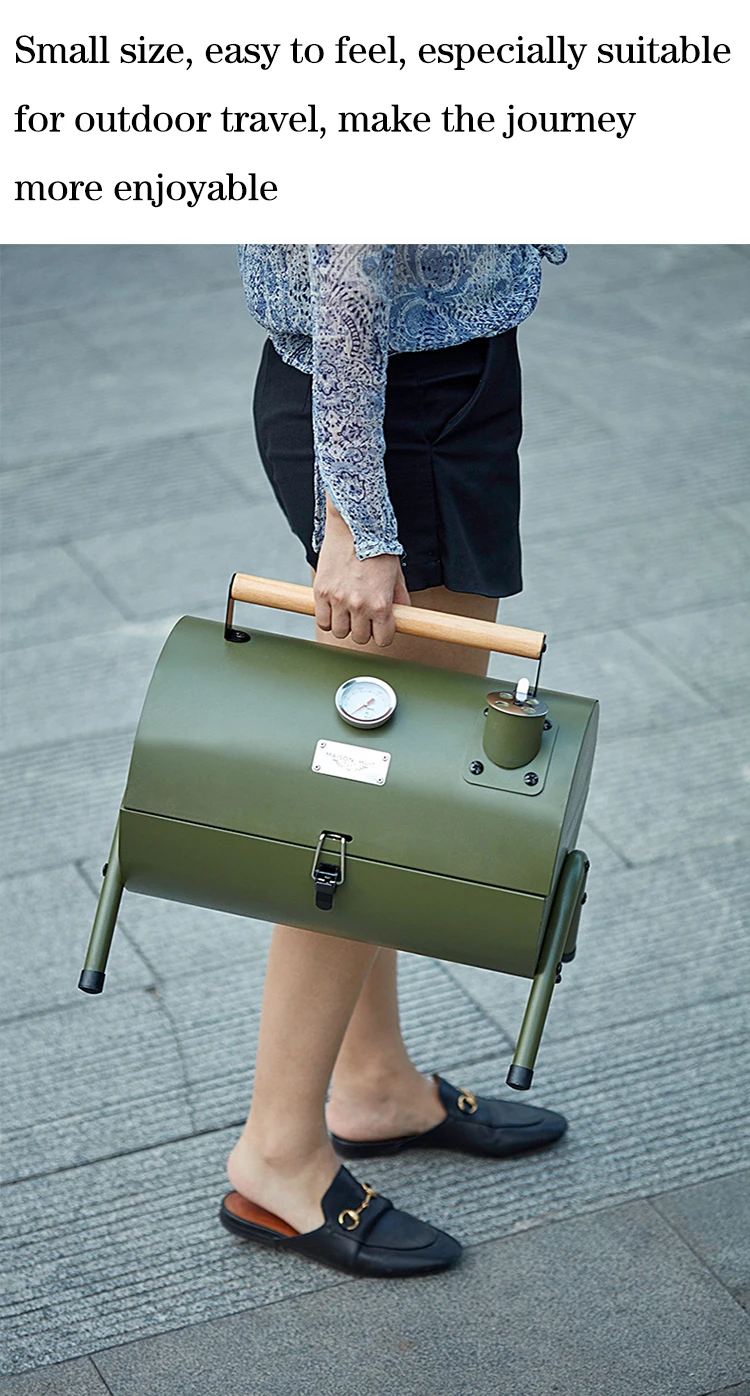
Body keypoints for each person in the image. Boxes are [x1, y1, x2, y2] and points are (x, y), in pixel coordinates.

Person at [220, 244, 567, 1278]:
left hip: (419, 383)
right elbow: (348, 261)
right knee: (372, 795)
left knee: (382, 777)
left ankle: (372, 1082)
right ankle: (278, 1152)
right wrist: (359, 520)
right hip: (398, 405)